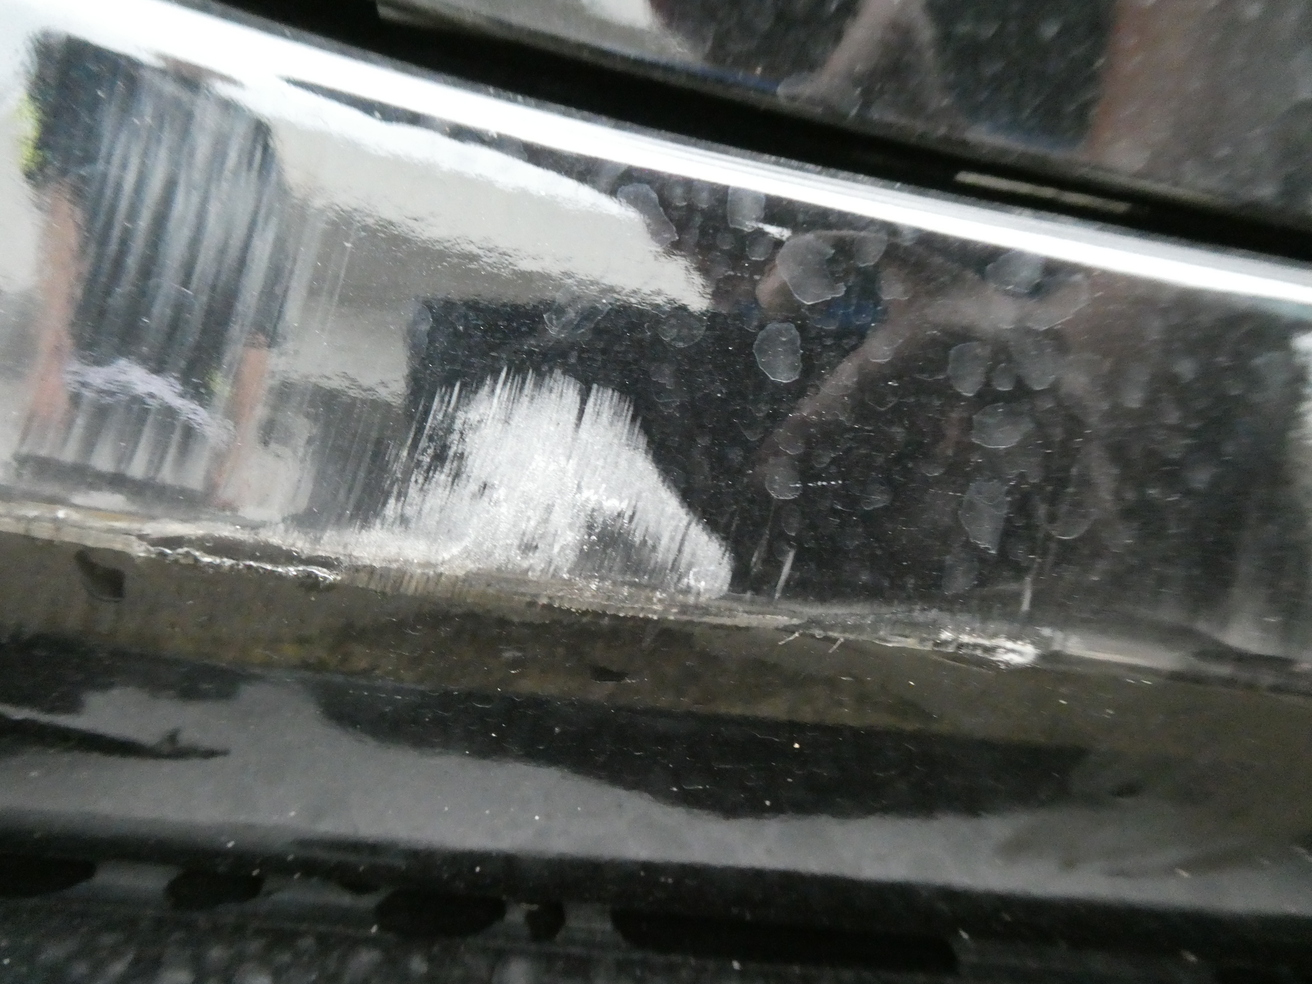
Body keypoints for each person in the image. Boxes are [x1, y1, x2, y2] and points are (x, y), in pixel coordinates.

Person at [18, 36, 290, 507]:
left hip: (149, 412)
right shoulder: (109, 82)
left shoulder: (250, 142)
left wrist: (240, 445)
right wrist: (49, 364)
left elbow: (259, 317)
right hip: (104, 394)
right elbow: (65, 222)